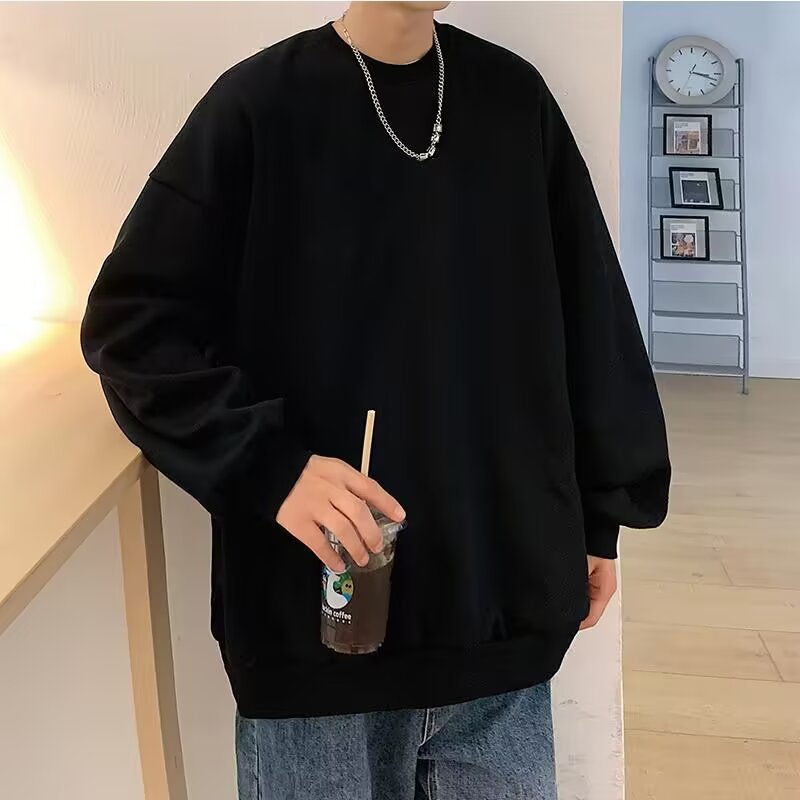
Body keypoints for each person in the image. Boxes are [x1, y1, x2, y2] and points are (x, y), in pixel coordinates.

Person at [80, 3, 670, 798]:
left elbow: (589, 316)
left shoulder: (512, 100)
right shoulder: (260, 105)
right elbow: (132, 327)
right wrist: (272, 468)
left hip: (496, 620)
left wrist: (600, 516)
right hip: (315, 638)